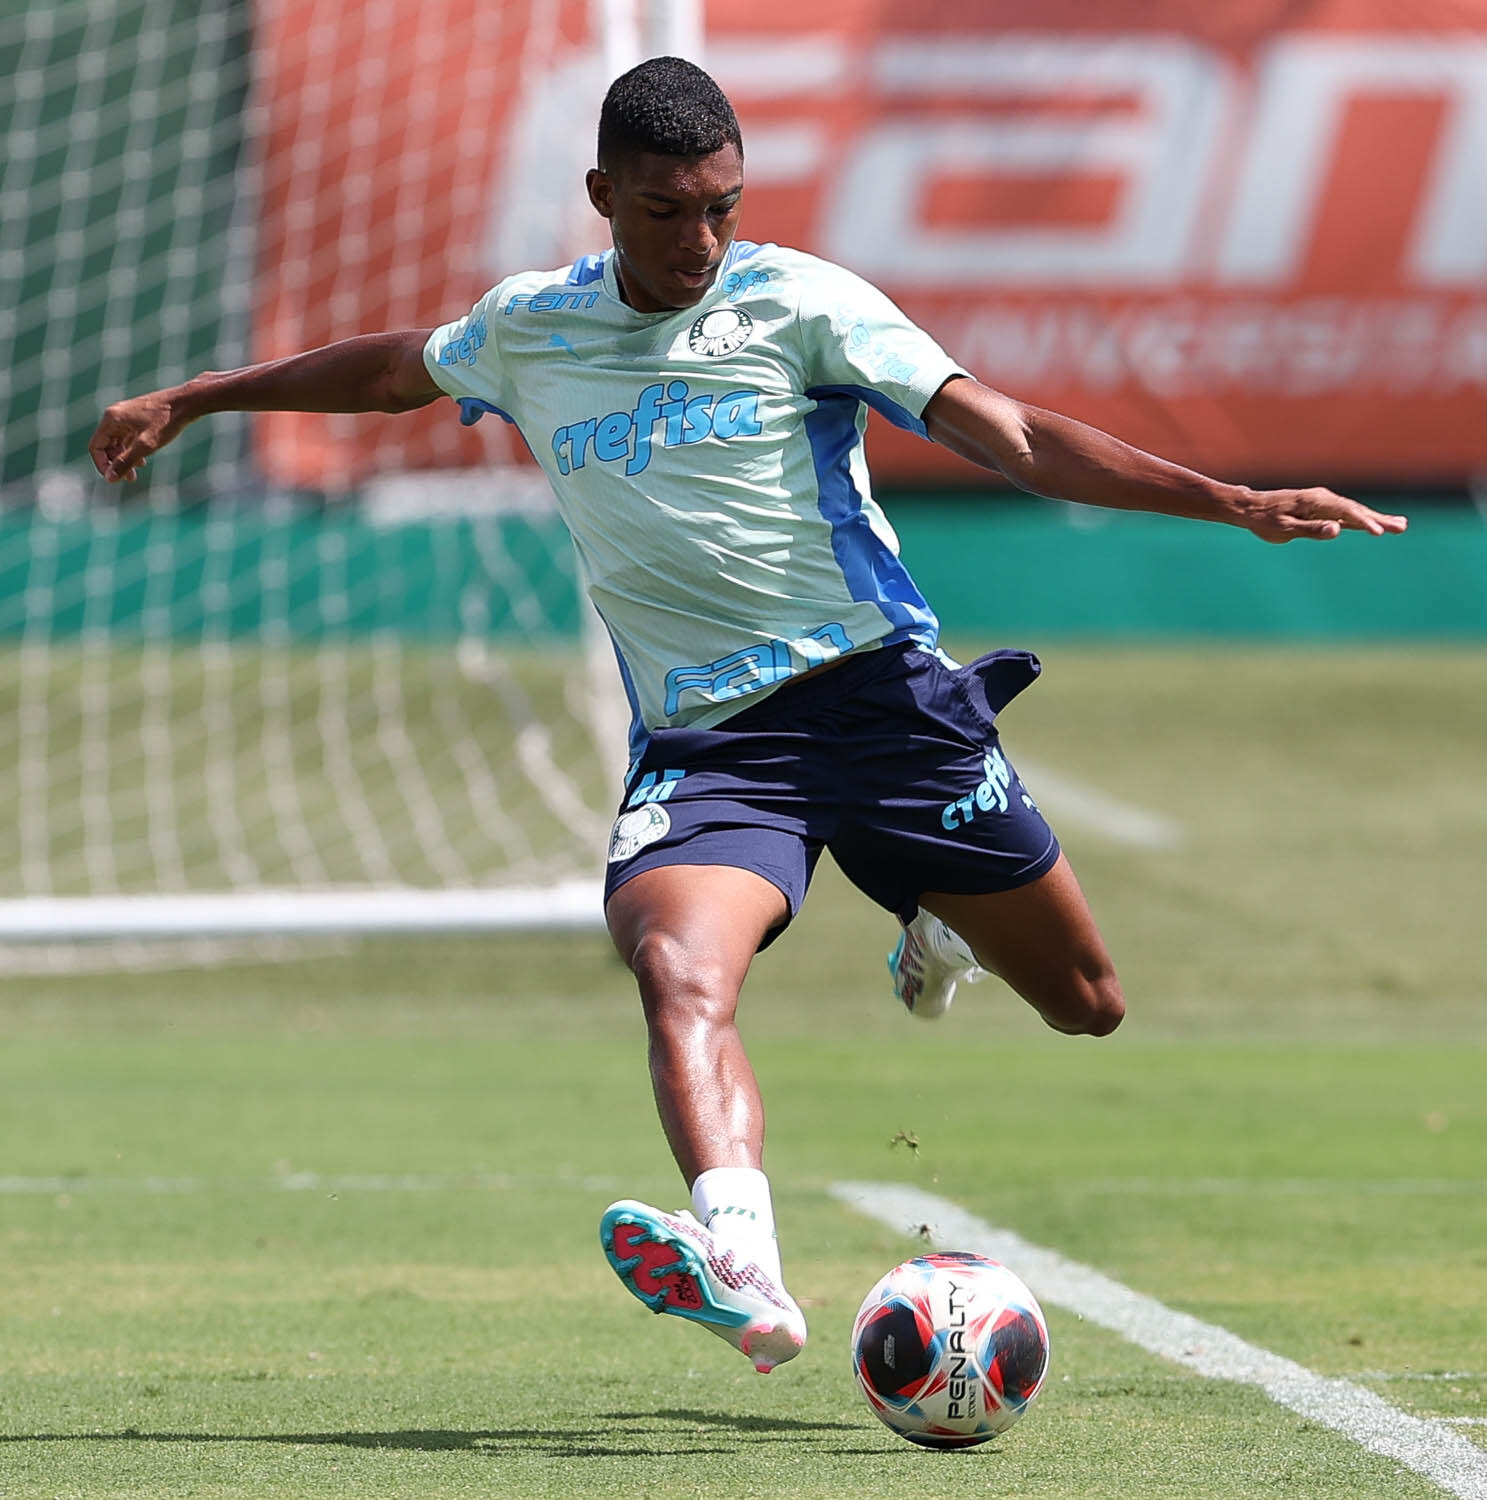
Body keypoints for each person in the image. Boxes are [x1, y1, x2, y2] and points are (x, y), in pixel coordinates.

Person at [89, 56, 1407, 1376]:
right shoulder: (530, 328)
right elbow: (392, 374)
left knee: (1087, 1002)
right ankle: (746, 1268)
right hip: (715, 752)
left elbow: (1003, 430)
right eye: (667, 210)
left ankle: (934, 917)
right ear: (604, 195)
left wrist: (1229, 499)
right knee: (677, 970)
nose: (700, 240)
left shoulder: (802, 302)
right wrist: (194, 401)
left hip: (888, 708)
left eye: (721, 204)